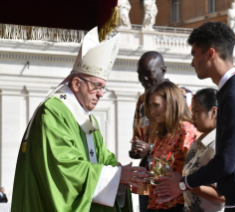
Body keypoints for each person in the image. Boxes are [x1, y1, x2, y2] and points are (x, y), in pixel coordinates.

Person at [11, 27, 148, 212]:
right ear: (76, 84)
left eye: (103, 88)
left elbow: (102, 157)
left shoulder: (87, 119)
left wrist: (121, 171)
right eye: (96, 86)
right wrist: (116, 176)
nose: (100, 94)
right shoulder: (53, 112)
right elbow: (63, 168)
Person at [154, 22, 235, 212]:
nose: (192, 62)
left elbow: (226, 163)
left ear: (210, 53)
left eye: (195, 54)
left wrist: (182, 183)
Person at [129, 51, 192, 212]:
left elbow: (193, 149)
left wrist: (150, 148)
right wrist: (137, 150)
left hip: (175, 183)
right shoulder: (142, 101)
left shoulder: (184, 95)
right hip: (149, 174)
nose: (143, 79)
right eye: (140, 74)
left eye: (148, 73)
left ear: (162, 70)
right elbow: (138, 136)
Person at [144, 81, 199, 212]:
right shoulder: (163, 135)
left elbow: (200, 174)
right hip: (159, 204)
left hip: (180, 206)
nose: (152, 111)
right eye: (150, 106)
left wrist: (181, 185)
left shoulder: (187, 131)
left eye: (156, 105)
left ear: (171, 103)